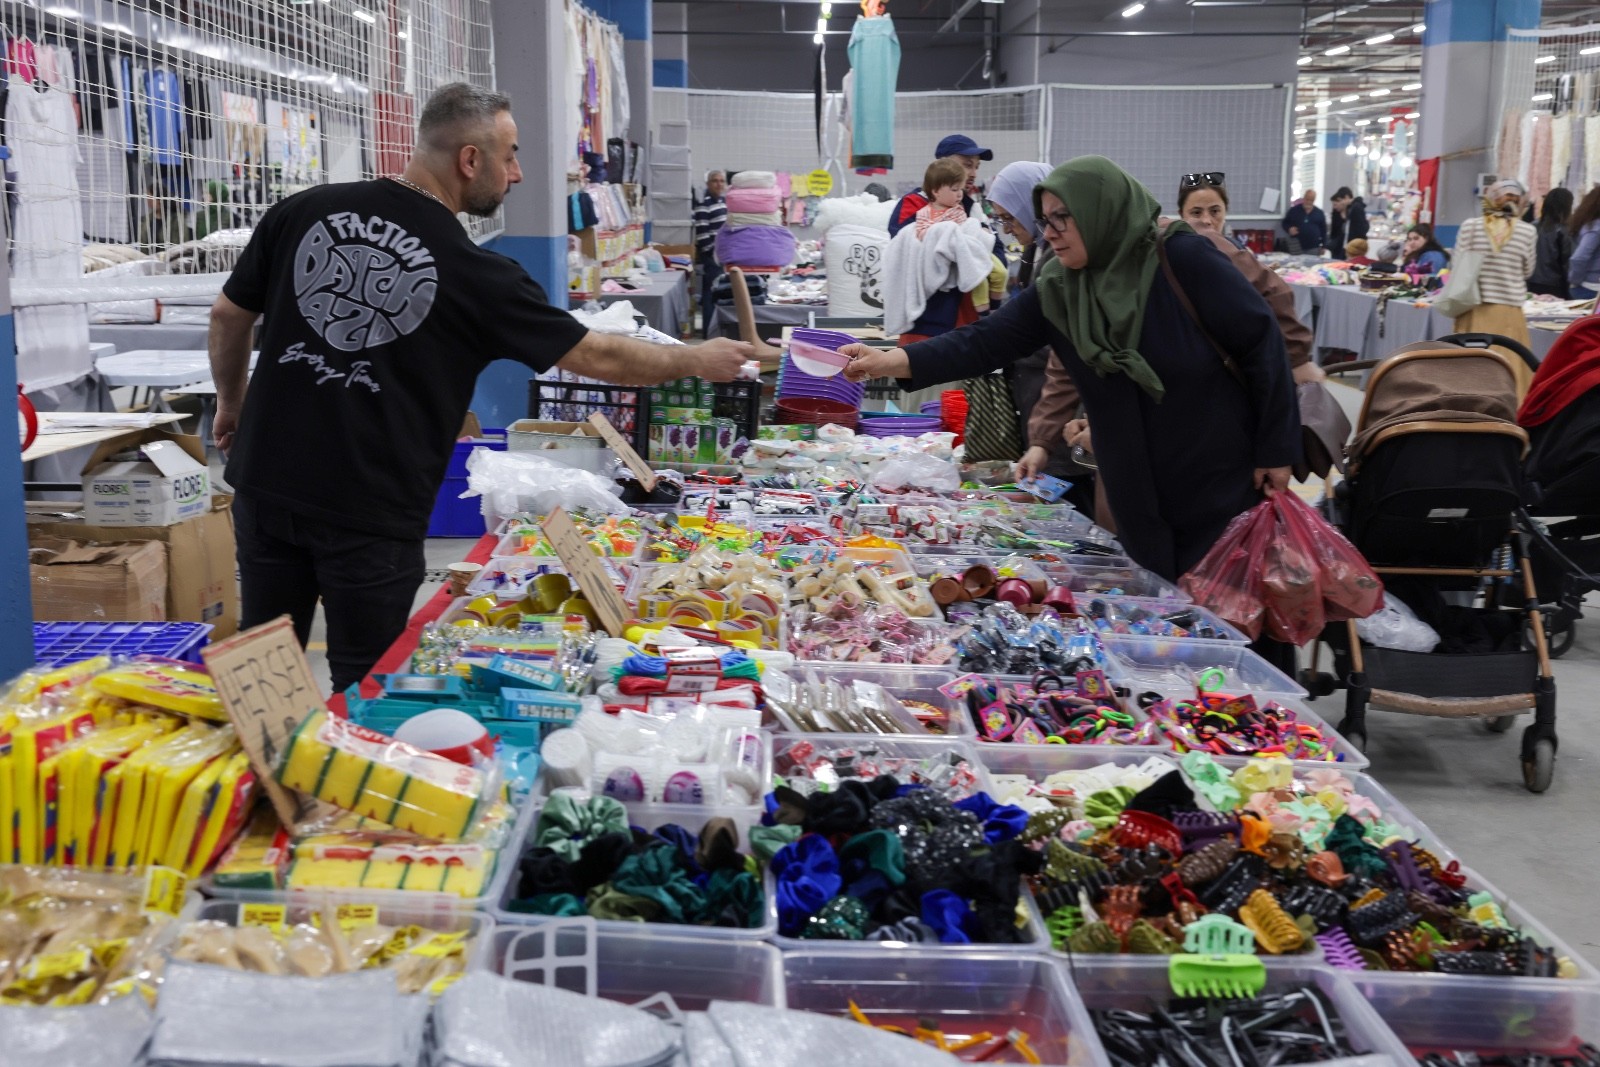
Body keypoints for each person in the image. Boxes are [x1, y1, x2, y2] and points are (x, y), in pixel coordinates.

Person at [208, 83, 752, 692]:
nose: (517, 174)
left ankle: (259, 780)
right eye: (511, 154)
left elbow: (229, 316)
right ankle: (332, 783)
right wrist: (695, 359)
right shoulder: (477, 274)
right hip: (369, 508)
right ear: (470, 160)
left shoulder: (303, 210)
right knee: (364, 686)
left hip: (267, 480)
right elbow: (596, 354)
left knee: (265, 671)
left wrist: (231, 405)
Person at [841, 155, 1301, 589]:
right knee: (1166, 610)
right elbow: (984, 341)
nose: (1051, 232)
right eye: (1045, 219)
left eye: (1064, 216)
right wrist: (892, 359)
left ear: (1101, 211)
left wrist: (1276, 450)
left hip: (1214, 477)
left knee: (1229, 602)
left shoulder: (1181, 259)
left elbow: (1262, 345)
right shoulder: (1061, 287)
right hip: (1133, 486)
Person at [1016, 171, 1322, 486]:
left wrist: (1295, 363)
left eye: (1215, 211)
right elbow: (1069, 354)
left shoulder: (1194, 250)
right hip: (1143, 449)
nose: (1207, 220)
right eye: (1197, 212)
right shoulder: (1086, 270)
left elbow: (1266, 322)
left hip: (1210, 439)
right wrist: (1043, 439)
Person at [883, 159, 993, 342]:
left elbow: (987, 243)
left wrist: (975, 240)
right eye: (967, 165)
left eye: (976, 167)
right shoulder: (914, 203)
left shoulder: (969, 206)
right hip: (930, 308)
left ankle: (990, 308)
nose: (973, 173)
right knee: (922, 353)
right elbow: (906, 241)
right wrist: (942, 236)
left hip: (961, 303)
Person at [1451, 177, 1536, 346]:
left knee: (1471, 366)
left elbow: (1456, 265)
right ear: (1520, 202)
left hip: (1472, 309)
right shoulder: (1527, 231)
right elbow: (1527, 271)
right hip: (1509, 312)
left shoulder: (1470, 226)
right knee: (1509, 366)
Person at [692, 170, 728, 335]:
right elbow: (702, 234)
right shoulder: (703, 204)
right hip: (712, 258)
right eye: (715, 181)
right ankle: (708, 332)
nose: (719, 184)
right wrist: (714, 256)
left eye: (721, 181)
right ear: (708, 184)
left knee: (720, 292)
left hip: (724, 256)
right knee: (710, 295)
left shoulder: (724, 202)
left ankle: (718, 329)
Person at [1529, 187, 1574, 298]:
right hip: (1554, 286)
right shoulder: (1563, 231)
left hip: (1529, 282)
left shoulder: (1531, 227)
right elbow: (1567, 262)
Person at [1566, 185, 1600, 298]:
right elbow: (1579, 257)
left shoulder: (1591, 226)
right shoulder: (1596, 228)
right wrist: (1575, 280)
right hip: (1590, 288)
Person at [1327, 187, 1368, 260]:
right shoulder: (1349, 209)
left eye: (1340, 200)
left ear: (1346, 197)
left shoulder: (1356, 208)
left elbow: (1360, 228)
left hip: (1353, 246)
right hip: (1346, 246)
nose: (1340, 203)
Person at [1282, 189, 1327, 254]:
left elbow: (1323, 231)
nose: (1308, 202)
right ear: (1304, 198)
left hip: (1313, 247)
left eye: (1311, 200)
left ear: (1314, 200)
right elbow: (1284, 223)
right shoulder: (1294, 210)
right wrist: (1289, 229)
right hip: (1296, 246)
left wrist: (1324, 246)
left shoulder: (1319, 213)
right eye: (1307, 199)